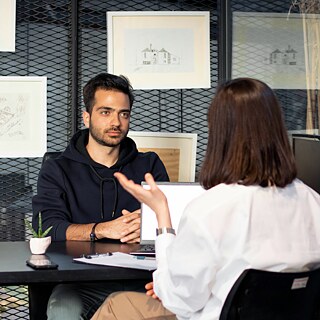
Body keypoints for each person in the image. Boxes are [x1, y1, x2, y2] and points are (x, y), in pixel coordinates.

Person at [91, 78, 320, 320]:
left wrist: (162, 216)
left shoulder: (211, 209)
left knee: (117, 305)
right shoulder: (312, 201)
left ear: (221, 133)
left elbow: (181, 299)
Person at [31, 72, 169, 319]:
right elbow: (47, 226)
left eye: (123, 114)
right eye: (106, 112)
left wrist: (147, 227)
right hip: (81, 281)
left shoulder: (150, 164)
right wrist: (102, 229)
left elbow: (174, 224)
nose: (116, 122)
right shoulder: (58, 168)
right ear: (87, 116)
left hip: (144, 280)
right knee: (63, 309)